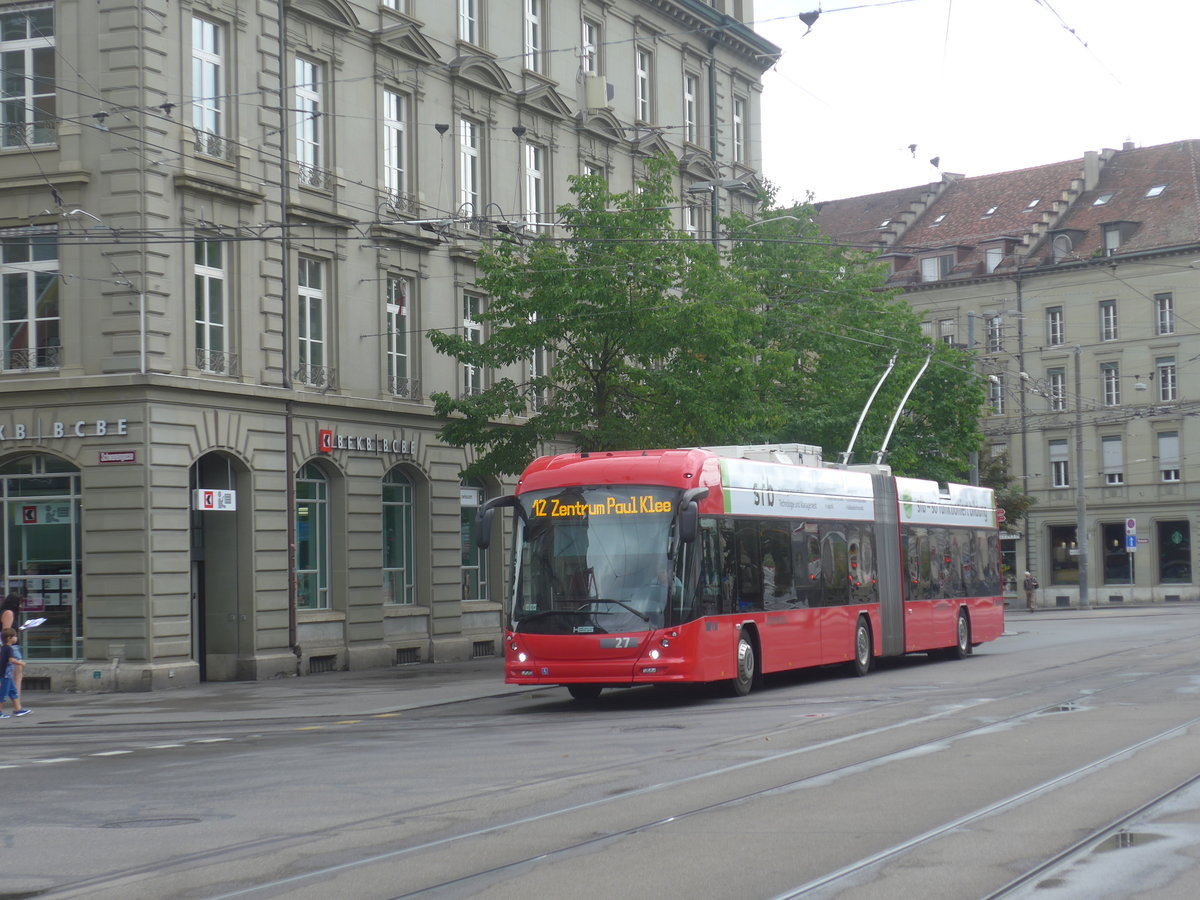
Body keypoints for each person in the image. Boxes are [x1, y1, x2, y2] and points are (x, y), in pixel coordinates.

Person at [0, 627, 30, 718]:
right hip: (5, 675)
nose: (16, 638)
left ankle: (18, 709)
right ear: (9, 638)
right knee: (3, 694)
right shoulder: (9, 649)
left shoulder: (4, 648)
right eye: (15, 636)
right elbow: (11, 659)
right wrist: (21, 663)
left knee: (13, 691)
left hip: (7, 675)